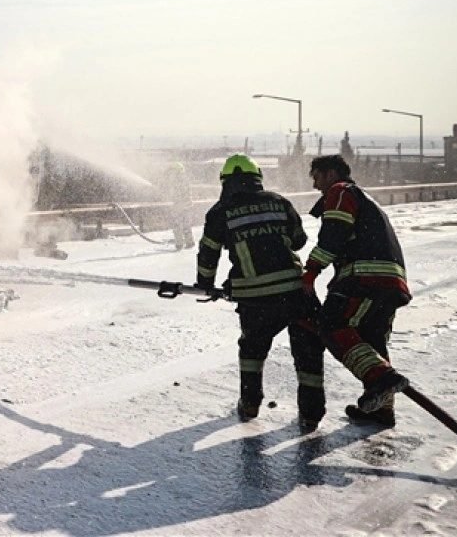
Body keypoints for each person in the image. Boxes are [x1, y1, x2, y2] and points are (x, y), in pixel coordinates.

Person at [195, 154, 324, 432]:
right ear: (257, 178)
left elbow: (209, 252)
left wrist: (205, 283)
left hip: (256, 298)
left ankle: (250, 403)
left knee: (252, 349)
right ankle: (311, 414)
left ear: (225, 182)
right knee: (308, 350)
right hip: (296, 292)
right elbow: (299, 241)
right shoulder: (279, 202)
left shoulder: (220, 211)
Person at [304, 154, 410, 428]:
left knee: (332, 325)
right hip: (390, 282)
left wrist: (310, 272)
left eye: (317, 177)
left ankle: (381, 379)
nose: (315, 186)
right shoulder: (366, 199)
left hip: (365, 279)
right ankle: (381, 410)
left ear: (331, 173)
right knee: (372, 340)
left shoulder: (340, 191)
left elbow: (333, 236)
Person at [165, 162, 195, 250]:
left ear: (177, 171)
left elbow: (178, 194)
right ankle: (189, 242)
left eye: (173, 171)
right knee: (186, 225)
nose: (171, 173)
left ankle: (179, 243)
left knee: (177, 225)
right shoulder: (183, 179)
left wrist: (177, 204)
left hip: (180, 205)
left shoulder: (178, 181)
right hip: (185, 205)